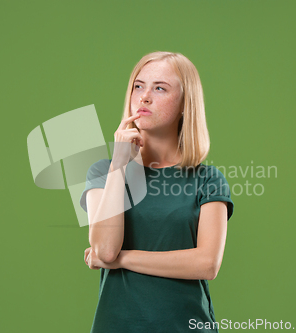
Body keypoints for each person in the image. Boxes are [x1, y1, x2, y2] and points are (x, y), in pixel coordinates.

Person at [79, 51, 234, 333]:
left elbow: (206, 264)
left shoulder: (208, 180)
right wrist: (119, 163)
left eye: (159, 88)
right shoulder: (103, 172)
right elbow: (105, 248)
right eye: (138, 86)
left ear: (186, 104)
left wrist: (122, 260)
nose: (144, 97)